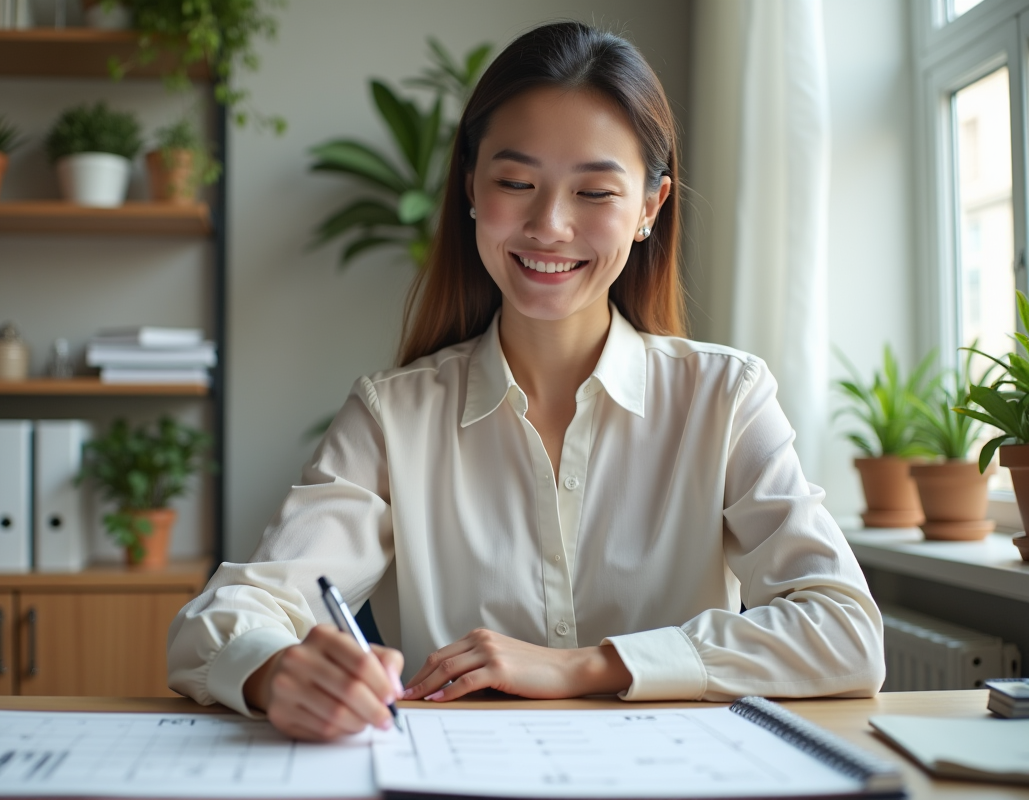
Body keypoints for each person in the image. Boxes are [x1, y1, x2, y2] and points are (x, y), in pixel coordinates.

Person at [167, 20, 884, 742]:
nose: (549, 225)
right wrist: (279, 672)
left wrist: (586, 667)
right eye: (516, 183)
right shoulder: (394, 416)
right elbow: (216, 623)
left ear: (649, 209)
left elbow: (845, 631)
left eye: (596, 192)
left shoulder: (724, 398)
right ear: (472, 189)